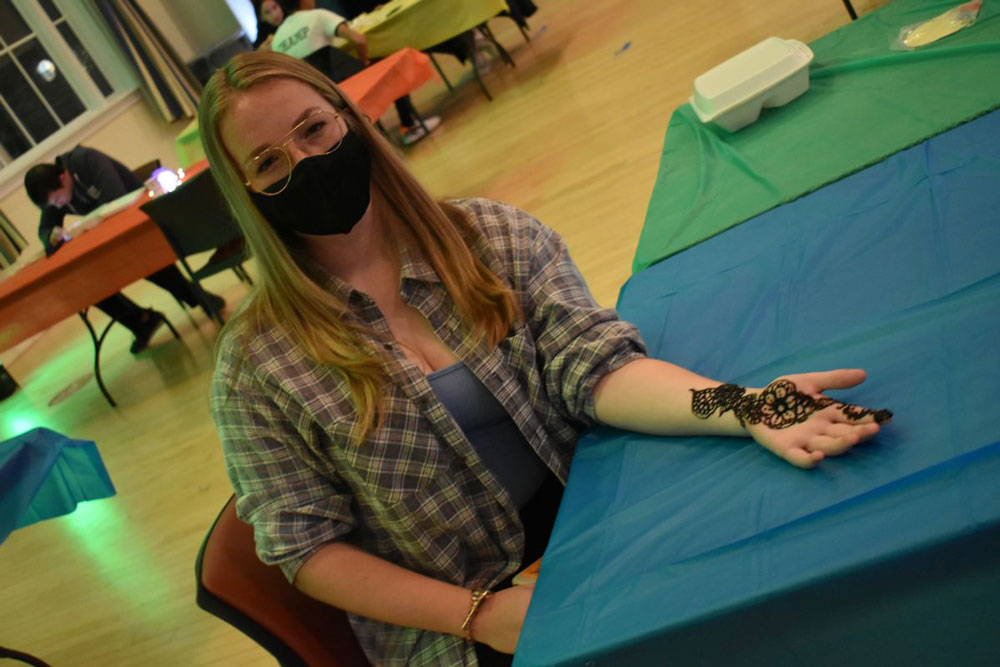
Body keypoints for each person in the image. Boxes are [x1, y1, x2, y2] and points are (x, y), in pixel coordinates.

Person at [202, 50, 891, 666]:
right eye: (267, 162)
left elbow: (595, 367)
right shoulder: (255, 369)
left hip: (594, 518)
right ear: (245, 193)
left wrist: (742, 405)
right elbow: (307, 549)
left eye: (313, 129)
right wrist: (478, 615)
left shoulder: (491, 236)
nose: (304, 161)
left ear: (351, 120)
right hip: (457, 613)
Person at [24, 147, 226, 353]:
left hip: (140, 225)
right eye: (54, 204)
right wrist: (50, 235)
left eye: (58, 200)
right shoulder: (56, 191)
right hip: (107, 239)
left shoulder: (86, 160)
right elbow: (46, 227)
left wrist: (86, 227)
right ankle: (140, 321)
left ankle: (198, 296)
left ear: (64, 177)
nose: (58, 206)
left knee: (137, 260)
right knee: (86, 282)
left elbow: (116, 198)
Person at [258, 0, 442, 146]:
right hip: (347, 88)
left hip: (319, 97)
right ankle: (409, 126)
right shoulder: (317, 15)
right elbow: (359, 39)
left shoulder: (277, 41)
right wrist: (364, 61)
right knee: (390, 60)